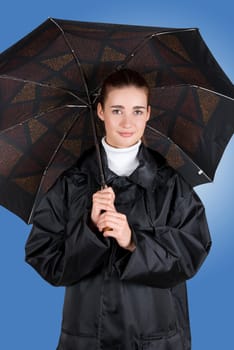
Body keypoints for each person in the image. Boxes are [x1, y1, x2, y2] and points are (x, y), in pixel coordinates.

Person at [25, 69, 212, 350]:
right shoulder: (71, 185)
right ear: (100, 111)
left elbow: (191, 254)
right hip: (88, 338)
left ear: (148, 113)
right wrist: (89, 231)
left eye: (137, 111)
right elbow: (46, 260)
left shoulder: (171, 185)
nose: (127, 122)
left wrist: (133, 240)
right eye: (116, 110)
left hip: (156, 339)